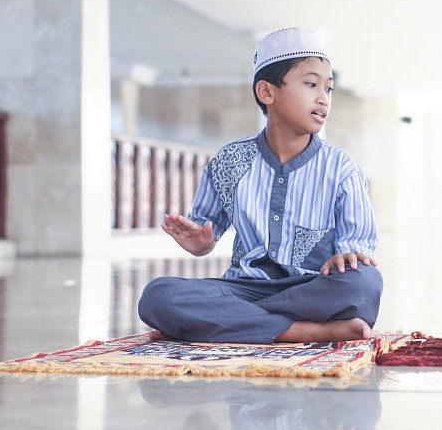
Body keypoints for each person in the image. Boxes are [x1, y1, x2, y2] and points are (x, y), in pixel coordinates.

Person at [138, 27, 382, 344]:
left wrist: (348, 255)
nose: (323, 98)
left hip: (313, 288)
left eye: (329, 88)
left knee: (365, 284)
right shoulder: (229, 161)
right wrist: (201, 244)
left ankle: (230, 321)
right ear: (267, 93)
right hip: (246, 286)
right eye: (311, 84)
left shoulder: (342, 168)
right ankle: (306, 331)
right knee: (158, 295)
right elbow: (205, 232)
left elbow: (358, 248)